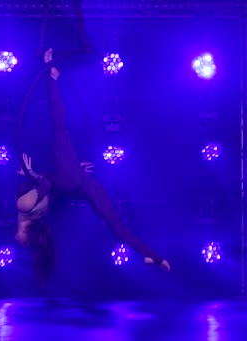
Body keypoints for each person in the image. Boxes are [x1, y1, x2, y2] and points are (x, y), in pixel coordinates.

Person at [15, 48, 171, 280]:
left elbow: (50, 186)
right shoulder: (25, 207)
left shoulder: (32, 214)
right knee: (60, 127)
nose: (17, 240)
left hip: (77, 184)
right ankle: (53, 79)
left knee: (116, 223)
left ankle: (153, 256)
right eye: (22, 241)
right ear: (26, 233)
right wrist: (33, 174)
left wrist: (39, 174)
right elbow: (47, 186)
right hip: (71, 181)